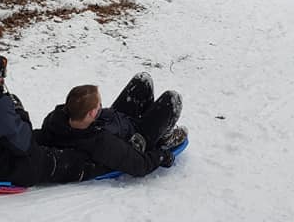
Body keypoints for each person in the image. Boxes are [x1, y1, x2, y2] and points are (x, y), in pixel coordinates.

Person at [0, 48, 89, 187]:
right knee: (62, 161)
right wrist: (20, 113)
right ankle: (95, 165)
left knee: (42, 138)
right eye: (0, 74)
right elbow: (23, 144)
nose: (2, 79)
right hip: (1, 168)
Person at [37, 74, 187, 178]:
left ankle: (148, 120)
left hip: (114, 121)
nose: (101, 106)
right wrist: (161, 156)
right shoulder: (101, 144)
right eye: (99, 106)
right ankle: (162, 140)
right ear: (90, 113)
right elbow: (139, 166)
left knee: (142, 81)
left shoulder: (57, 119)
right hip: (136, 139)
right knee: (172, 100)